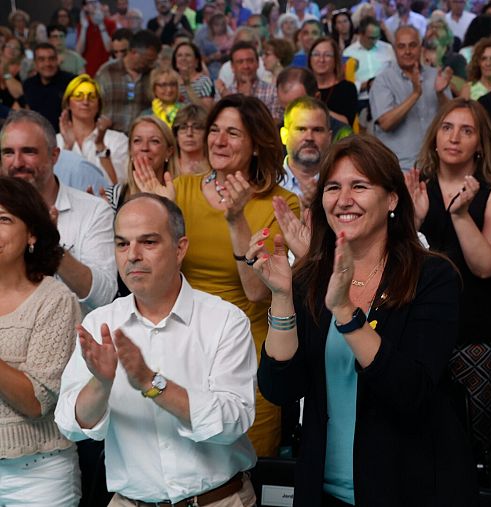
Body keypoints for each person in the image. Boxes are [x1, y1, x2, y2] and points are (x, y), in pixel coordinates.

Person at [252, 134, 478, 506]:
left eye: (359, 186)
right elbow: (280, 389)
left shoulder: (433, 277)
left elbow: (412, 393)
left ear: (392, 199)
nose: (343, 200)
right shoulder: (310, 278)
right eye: (333, 187)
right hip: (322, 491)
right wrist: (281, 297)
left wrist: (346, 313)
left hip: (412, 488)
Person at [54, 193, 258, 506]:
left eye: (148, 242)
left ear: (180, 249)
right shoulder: (100, 323)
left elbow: (234, 421)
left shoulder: (225, 320)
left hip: (218, 501)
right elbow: (70, 424)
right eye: (122, 244)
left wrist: (152, 384)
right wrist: (101, 384)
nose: (132, 255)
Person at [138, 95, 302, 457]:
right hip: (181, 351)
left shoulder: (281, 203)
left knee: (246, 470)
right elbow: (152, 284)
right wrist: (159, 220)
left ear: (257, 144)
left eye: (233, 133)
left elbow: (258, 291)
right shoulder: (178, 190)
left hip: (246, 358)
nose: (218, 141)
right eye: (214, 130)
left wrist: (236, 219)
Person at [407, 97, 491, 458]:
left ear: (480, 144)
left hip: (475, 335)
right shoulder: (414, 187)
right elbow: (392, 263)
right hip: (418, 330)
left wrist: (460, 215)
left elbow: (487, 265)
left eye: (466, 130)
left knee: (467, 444)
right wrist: (415, 222)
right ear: (435, 137)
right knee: (416, 437)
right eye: (447, 127)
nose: (454, 137)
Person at [0, 176, 81, 507]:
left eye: (3, 219)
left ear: (32, 233)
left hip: (36, 474)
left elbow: (37, 401)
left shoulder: (55, 300)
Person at [1, 110, 117, 314]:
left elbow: (105, 297)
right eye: (8, 152)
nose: (17, 162)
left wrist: (54, 248)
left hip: (74, 341)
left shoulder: (94, 211)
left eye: (29, 151)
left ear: (54, 155)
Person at [370, 26, 452, 170]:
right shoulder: (383, 81)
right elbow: (386, 123)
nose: (407, 51)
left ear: (420, 47)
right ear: (395, 49)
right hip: (399, 169)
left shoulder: (435, 76)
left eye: (412, 45)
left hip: (437, 166)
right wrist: (415, 94)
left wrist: (440, 94)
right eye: (401, 46)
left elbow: (452, 118)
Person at [58, 74, 129, 184]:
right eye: (78, 96)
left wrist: (100, 146)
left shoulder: (118, 140)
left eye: (91, 97)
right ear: (68, 103)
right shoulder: (55, 141)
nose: (85, 102)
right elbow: (53, 184)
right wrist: (67, 147)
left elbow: (118, 186)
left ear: (99, 105)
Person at [105, 115, 177, 211]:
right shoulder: (112, 196)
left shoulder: (185, 194)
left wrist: (168, 205)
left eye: (154, 141)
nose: (145, 147)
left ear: (169, 151)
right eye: (137, 141)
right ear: (130, 150)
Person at [95, 30, 162, 132]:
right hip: (110, 137)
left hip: (142, 138)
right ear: (134, 52)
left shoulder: (155, 74)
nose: (151, 64)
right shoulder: (106, 72)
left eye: (153, 61)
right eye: (148, 60)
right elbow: (93, 104)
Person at [280, 96, 332, 207]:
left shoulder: (342, 184)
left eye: (317, 130)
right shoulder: (266, 184)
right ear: (284, 135)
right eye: (301, 129)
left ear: (329, 138)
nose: (309, 137)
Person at [343, 16, 395, 112]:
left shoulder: (387, 49)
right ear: (361, 34)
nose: (375, 41)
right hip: (362, 99)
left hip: (386, 98)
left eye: (377, 37)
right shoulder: (348, 53)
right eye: (371, 38)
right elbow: (345, 84)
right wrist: (366, 85)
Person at [24, 42, 76, 133]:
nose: (47, 63)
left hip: (67, 137)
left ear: (57, 60)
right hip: (38, 137)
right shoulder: (28, 84)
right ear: (35, 63)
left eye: (51, 59)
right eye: (41, 59)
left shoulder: (72, 82)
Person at [223, 40, 281, 120]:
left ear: (257, 64)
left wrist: (248, 100)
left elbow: (273, 124)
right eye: (240, 62)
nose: (246, 66)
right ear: (232, 67)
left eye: (250, 61)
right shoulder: (227, 95)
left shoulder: (272, 92)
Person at [308, 37, 359, 126]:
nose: (321, 59)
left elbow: (346, 123)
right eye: (316, 54)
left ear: (335, 60)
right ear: (310, 59)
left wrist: (319, 107)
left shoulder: (347, 88)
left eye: (327, 55)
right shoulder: (304, 87)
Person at [76, 0, 117, 76]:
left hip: (106, 68)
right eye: (90, 2)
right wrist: (84, 28)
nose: (94, 5)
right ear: (85, 7)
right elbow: (79, 51)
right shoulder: (82, 25)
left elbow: (109, 48)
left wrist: (101, 24)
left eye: (96, 2)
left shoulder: (111, 23)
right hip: (89, 68)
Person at [172, 41, 215, 110]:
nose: (183, 58)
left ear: (196, 61)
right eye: (179, 55)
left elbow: (206, 111)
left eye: (188, 55)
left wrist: (187, 85)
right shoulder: (171, 81)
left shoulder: (205, 82)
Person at [194, 12, 233, 81]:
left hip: (228, 68)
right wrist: (212, 57)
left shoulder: (230, 38)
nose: (219, 28)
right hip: (210, 71)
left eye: (222, 25)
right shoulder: (206, 41)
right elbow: (200, 60)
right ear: (211, 26)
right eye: (216, 25)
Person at [172, 104, 210, 175]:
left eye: (197, 128)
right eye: (183, 128)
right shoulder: (167, 167)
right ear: (176, 134)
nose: (189, 133)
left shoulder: (216, 168)